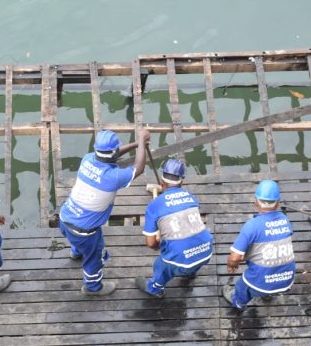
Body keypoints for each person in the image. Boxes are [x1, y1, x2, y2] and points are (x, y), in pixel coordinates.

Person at [58, 129, 150, 296]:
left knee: (77, 239)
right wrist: (142, 142)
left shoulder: (87, 159)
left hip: (65, 218)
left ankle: (76, 252)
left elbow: (112, 154)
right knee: (94, 258)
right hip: (85, 233)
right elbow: (139, 168)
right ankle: (93, 287)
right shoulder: (113, 177)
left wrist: (137, 144)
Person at [136, 159, 213, 298]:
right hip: (206, 252)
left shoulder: (154, 206)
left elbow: (151, 243)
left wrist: (158, 245)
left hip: (179, 259)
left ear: (161, 181)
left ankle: (155, 289)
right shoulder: (191, 197)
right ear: (181, 181)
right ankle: (190, 273)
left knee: (161, 264)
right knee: (189, 249)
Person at [223, 180, 295, 310]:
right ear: (278, 203)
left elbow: (234, 258)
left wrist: (232, 265)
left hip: (261, 282)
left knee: (242, 286)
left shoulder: (252, 226)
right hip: (287, 280)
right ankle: (268, 294)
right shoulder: (285, 220)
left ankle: (238, 302)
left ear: (256, 202)